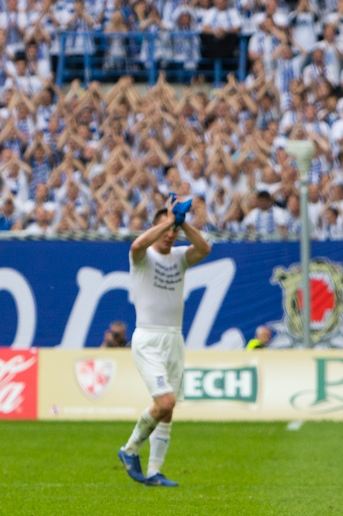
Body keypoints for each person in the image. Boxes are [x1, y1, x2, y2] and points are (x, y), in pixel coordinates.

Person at [118, 198, 211, 487]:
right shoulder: (144, 257)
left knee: (169, 409)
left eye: (175, 231)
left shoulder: (180, 256)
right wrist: (169, 221)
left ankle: (155, 472)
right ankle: (129, 448)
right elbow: (135, 246)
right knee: (165, 400)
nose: (171, 235)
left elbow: (205, 248)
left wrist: (184, 224)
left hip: (174, 338)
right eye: (167, 229)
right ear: (157, 228)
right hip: (148, 336)